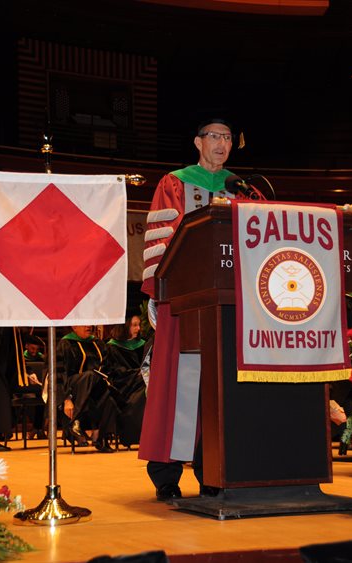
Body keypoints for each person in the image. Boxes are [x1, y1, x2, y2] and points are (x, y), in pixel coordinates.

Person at [138, 117, 264, 501]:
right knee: (180, 383)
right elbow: (165, 236)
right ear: (198, 141)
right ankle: (167, 473)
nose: (222, 143)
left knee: (223, 387)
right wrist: (160, 292)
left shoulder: (244, 188)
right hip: (186, 301)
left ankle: (215, 469)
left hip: (233, 303)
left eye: (227, 137)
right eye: (215, 136)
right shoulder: (174, 182)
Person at [56, 325, 118, 453]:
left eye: (90, 323)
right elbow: (59, 373)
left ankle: (101, 437)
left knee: (109, 392)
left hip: (94, 385)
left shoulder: (98, 343)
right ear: (74, 326)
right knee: (89, 375)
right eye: (84, 323)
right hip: (72, 387)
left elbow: (107, 367)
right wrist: (66, 398)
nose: (88, 326)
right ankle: (75, 421)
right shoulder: (66, 343)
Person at [104, 313, 147, 447]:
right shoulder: (112, 346)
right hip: (123, 386)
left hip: (141, 381)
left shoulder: (143, 345)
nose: (138, 328)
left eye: (139, 325)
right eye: (134, 325)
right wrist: (139, 374)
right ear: (125, 326)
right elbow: (115, 372)